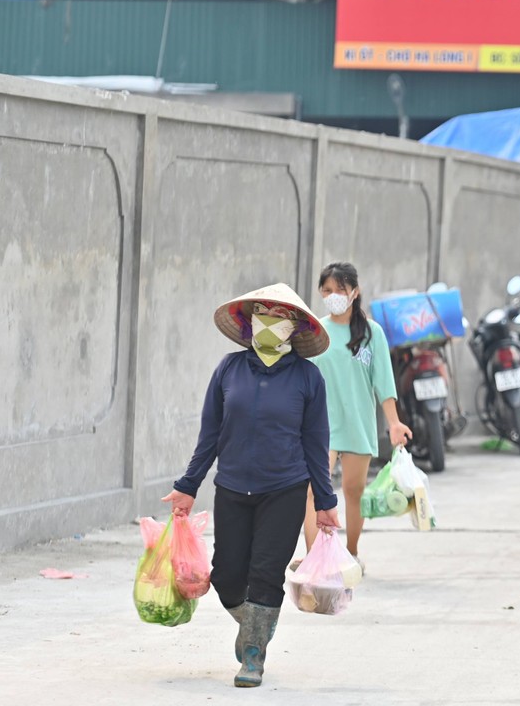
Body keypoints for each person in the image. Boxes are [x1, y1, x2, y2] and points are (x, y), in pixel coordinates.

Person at [161, 283, 337, 689]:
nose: (269, 321)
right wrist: (188, 485)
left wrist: (325, 501)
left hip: (285, 490)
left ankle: (253, 656)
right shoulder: (229, 369)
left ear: (294, 327)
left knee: (264, 573)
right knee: (226, 576)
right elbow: (210, 434)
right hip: (233, 488)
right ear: (250, 320)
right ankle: (261, 620)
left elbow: (316, 443)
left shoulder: (308, 379)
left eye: (279, 316)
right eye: (262, 312)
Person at [302, 262, 412, 565]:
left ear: (355, 292)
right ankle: (315, 560)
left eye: (340, 289)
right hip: (319, 426)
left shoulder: (372, 333)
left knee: (353, 491)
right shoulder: (315, 331)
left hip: (358, 424)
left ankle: (351, 552)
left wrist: (393, 423)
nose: (333, 295)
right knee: (312, 493)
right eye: (327, 290)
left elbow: (384, 382)